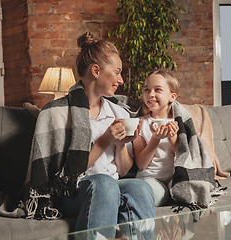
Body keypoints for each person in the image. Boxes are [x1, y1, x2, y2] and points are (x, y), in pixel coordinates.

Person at [22, 32, 155, 238]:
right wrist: (104, 141)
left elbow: (124, 169)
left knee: (140, 188)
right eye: (117, 72)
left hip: (110, 185)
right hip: (72, 192)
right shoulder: (57, 113)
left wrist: (120, 143)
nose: (120, 79)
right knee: (104, 183)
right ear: (96, 71)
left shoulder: (118, 112)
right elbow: (63, 177)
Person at [133, 70, 180, 207]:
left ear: (172, 96)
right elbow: (141, 164)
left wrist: (172, 137)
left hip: (174, 177)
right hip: (150, 178)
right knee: (151, 192)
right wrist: (155, 139)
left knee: (185, 185)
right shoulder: (140, 123)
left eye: (157, 89)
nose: (150, 94)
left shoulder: (179, 122)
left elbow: (185, 156)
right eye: (147, 90)